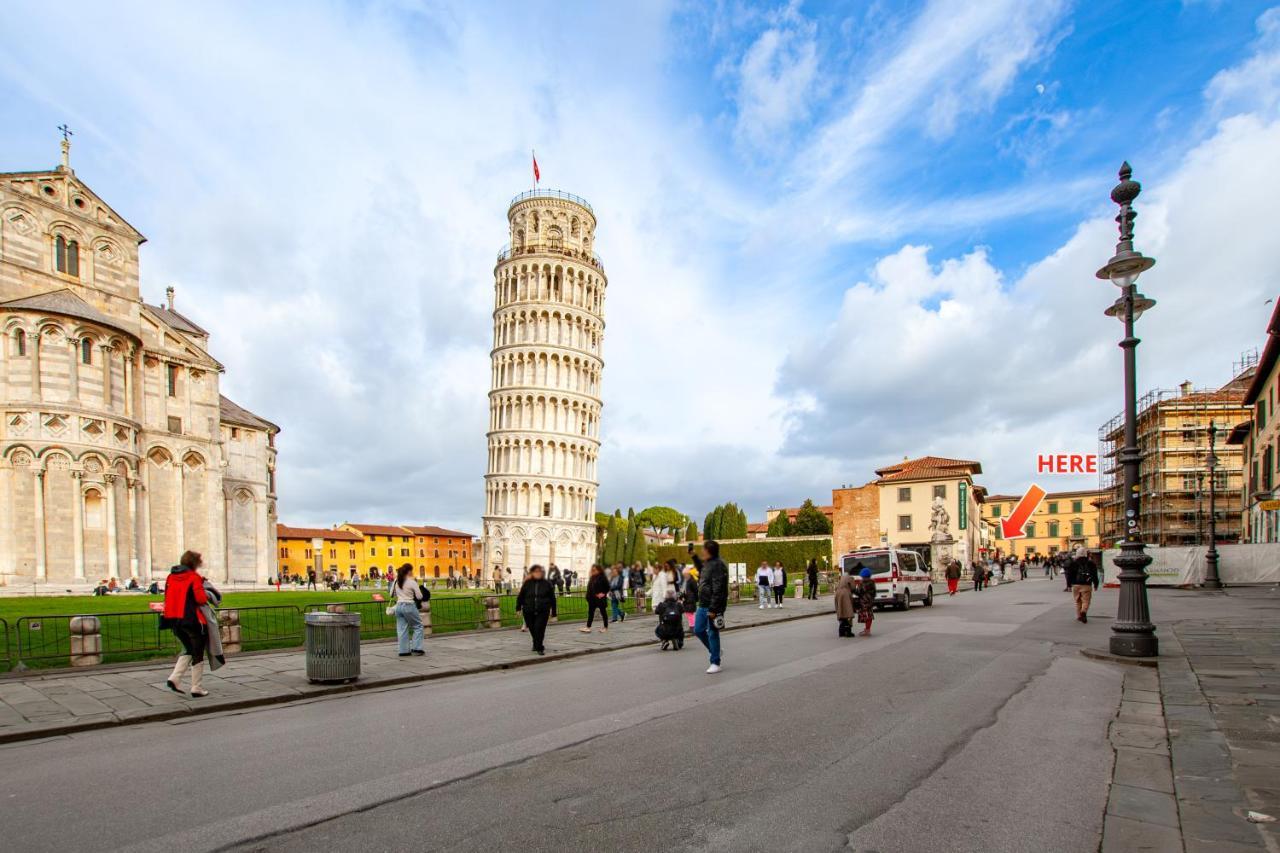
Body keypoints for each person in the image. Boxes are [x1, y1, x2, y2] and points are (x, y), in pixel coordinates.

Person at [160, 551, 213, 697]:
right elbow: (201, 599)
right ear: (195, 563)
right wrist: (203, 587)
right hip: (191, 619)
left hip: (174, 619)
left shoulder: (171, 576)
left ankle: (175, 678)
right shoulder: (193, 577)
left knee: (189, 648)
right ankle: (196, 687)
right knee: (197, 652)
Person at [690, 540, 728, 674]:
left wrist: (714, 609)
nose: (701, 551)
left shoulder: (718, 565)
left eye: (703, 550)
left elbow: (719, 589)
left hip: (713, 605)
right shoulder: (708, 564)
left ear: (709, 551)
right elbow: (701, 569)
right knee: (698, 630)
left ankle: (715, 662)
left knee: (712, 632)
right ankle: (715, 650)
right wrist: (694, 557)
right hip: (703, 603)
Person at [516, 564, 557, 655]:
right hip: (528, 610)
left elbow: (552, 598)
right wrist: (518, 608)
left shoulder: (547, 584)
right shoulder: (527, 583)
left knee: (539, 628)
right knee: (532, 628)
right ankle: (536, 643)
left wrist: (554, 613)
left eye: (540, 571)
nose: (538, 573)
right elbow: (521, 596)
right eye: (536, 571)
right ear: (532, 573)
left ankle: (539, 647)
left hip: (543, 610)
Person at [390, 563, 425, 657]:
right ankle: (417, 648)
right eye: (412, 570)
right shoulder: (412, 582)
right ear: (409, 571)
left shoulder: (396, 581)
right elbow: (419, 596)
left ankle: (403, 650)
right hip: (409, 605)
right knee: (418, 626)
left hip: (398, 606)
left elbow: (391, 595)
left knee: (402, 629)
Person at [1065, 547, 1100, 623]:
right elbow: (1094, 575)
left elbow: (1069, 575)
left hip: (1075, 585)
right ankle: (1083, 612)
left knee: (1078, 601)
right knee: (1086, 601)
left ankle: (1079, 616)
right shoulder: (1091, 563)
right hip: (1086, 585)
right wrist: (1096, 584)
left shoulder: (1073, 563)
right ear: (1085, 554)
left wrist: (1068, 585)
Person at [581, 564, 610, 633]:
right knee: (590, 613)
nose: (593, 571)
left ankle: (605, 627)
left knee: (603, 612)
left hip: (600, 599)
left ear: (599, 570)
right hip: (592, 598)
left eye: (594, 570)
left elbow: (607, 587)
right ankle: (588, 627)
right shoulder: (592, 577)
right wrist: (587, 596)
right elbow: (590, 588)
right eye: (592, 570)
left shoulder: (603, 577)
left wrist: (603, 593)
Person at [834, 571, 857, 637]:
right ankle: (848, 631)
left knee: (841, 611)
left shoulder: (840, 579)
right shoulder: (850, 578)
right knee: (848, 612)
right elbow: (853, 588)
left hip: (838, 594)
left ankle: (841, 631)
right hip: (846, 594)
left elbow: (836, 587)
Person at [856, 567, 876, 636]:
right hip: (870, 601)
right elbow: (874, 593)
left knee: (866, 616)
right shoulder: (872, 582)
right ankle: (868, 628)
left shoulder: (861, 583)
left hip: (863, 601)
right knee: (869, 615)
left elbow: (858, 592)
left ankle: (867, 630)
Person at [680, 565, 699, 630]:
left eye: (685, 574)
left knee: (690, 613)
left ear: (688, 573)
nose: (684, 575)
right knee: (688, 613)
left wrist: (696, 599)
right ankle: (692, 626)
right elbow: (684, 590)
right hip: (687, 599)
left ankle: (693, 627)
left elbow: (696, 590)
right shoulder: (687, 580)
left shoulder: (692, 580)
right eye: (683, 574)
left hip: (690, 599)